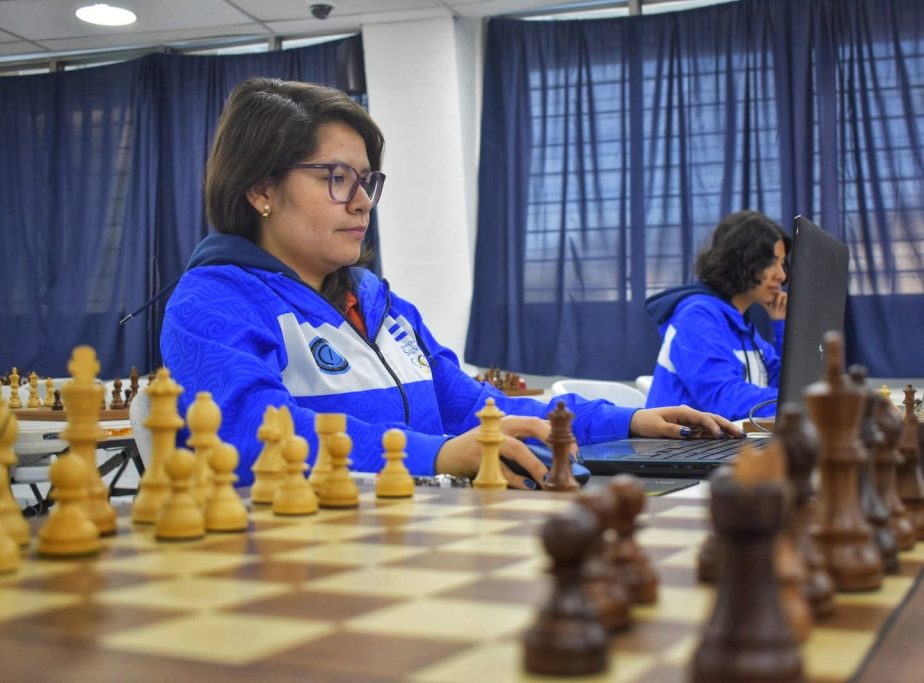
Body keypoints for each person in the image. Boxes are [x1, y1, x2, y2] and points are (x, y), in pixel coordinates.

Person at [161, 77, 741, 489]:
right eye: (336, 177)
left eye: (366, 181)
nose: (362, 202)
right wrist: (437, 454)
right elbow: (252, 430)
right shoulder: (212, 302)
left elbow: (472, 406)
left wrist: (629, 421)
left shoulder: (382, 306)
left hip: (416, 537)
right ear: (260, 190)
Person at [644, 210, 791, 420]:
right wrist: (802, 403)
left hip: (721, 439)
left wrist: (781, 326)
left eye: (782, 263)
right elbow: (725, 399)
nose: (782, 275)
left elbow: (782, 384)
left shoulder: (742, 326)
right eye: (771, 262)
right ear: (742, 260)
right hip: (682, 441)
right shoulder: (696, 317)